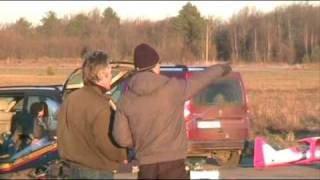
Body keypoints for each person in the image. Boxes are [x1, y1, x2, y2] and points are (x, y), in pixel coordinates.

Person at [112, 43, 232, 179]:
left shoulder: (126, 99)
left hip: (146, 165)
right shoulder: (172, 89)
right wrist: (221, 69)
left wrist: (140, 140)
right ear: (154, 66)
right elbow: (199, 80)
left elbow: (121, 138)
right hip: (174, 164)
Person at [57, 50, 127, 179]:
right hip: (97, 171)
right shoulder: (101, 105)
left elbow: (61, 132)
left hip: (72, 168)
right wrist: (122, 156)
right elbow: (106, 142)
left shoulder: (70, 99)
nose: (112, 76)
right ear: (102, 74)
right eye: (110, 73)